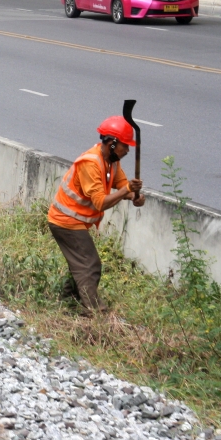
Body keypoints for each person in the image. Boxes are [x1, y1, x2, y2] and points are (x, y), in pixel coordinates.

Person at [47, 116, 145, 315]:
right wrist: (126, 189)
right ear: (112, 143)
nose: (127, 151)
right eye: (125, 146)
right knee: (90, 264)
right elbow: (100, 202)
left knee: (80, 264)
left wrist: (135, 196)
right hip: (65, 221)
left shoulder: (112, 162)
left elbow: (122, 187)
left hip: (76, 221)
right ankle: (95, 311)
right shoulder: (91, 164)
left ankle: (69, 302)